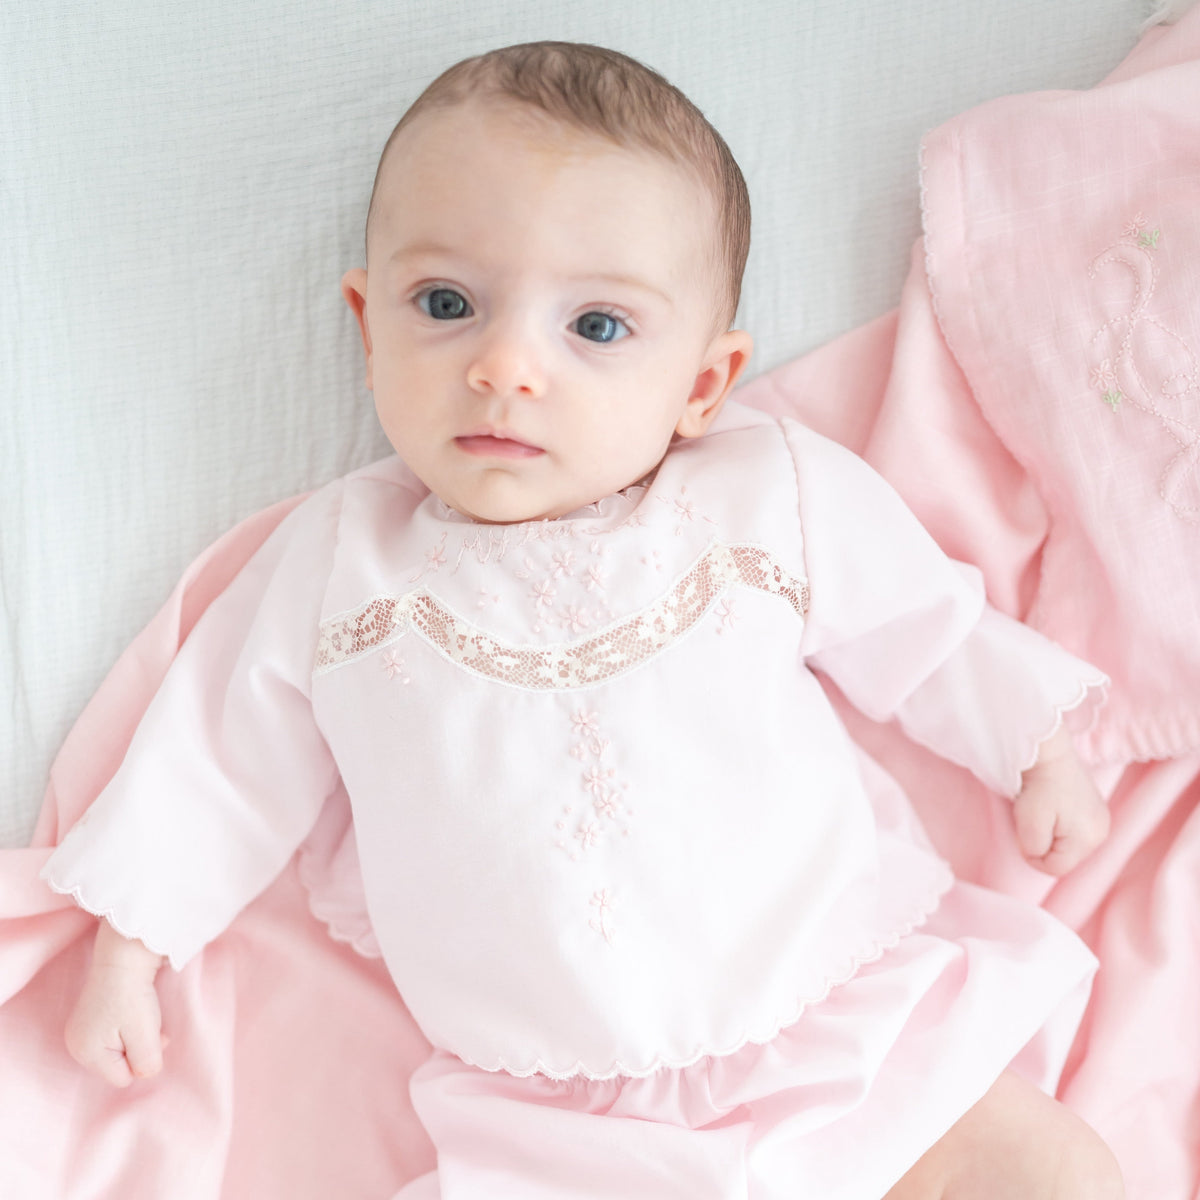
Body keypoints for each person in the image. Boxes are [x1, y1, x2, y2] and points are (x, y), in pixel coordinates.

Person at [45, 41, 1124, 1199]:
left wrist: (1034, 745)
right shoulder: (340, 566)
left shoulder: (763, 495)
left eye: (597, 328)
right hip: (554, 1113)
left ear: (705, 385)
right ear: (367, 326)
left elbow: (923, 623)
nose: (506, 367)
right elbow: (219, 756)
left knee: (1053, 1169)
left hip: (839, 1011)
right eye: (447, 305)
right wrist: (133, 945)